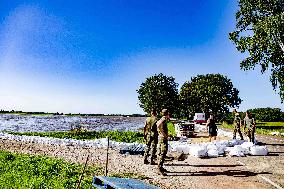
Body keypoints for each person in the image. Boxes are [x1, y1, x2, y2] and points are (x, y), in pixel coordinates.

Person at [156, 109, 170, 175]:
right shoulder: (163, 119)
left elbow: (157, 123)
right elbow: (158, 125)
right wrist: (163, 134)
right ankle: (159, 168)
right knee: (163, 152)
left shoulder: (162, 118)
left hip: (161, 137)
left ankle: (160, 167)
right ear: (167, 113)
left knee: (162, 152)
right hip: (163, 138)